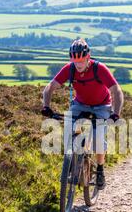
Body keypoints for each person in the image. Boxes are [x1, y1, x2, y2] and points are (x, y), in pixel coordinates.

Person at [41, 38, 124, 190]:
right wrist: (46, 106)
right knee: (69, 132)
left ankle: (99, 170)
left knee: (98, 139)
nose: (78, 65)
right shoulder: (69, 69)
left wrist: (115, 114)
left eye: (81, 61)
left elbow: (116, 90)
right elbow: (50, 87)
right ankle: (73, 162)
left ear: (88, 57)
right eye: (75, 61)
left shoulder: (99, 69)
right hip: (79, 104)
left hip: (102, 106)